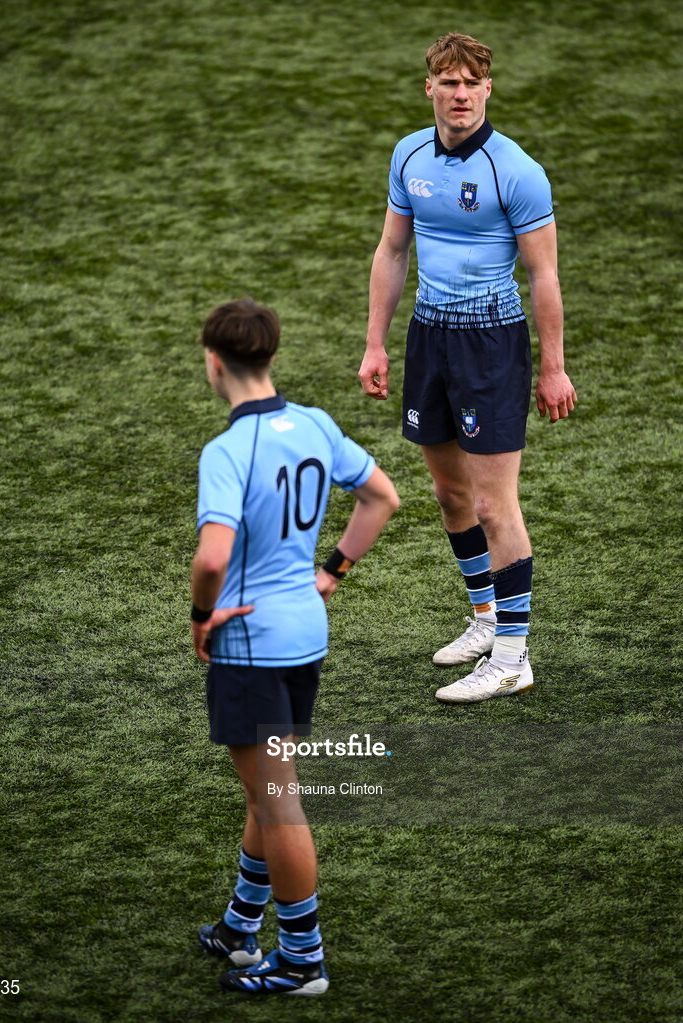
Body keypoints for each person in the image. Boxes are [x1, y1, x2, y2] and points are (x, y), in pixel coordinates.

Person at [358, 32, 577, 704]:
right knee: (451, 497)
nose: (459, 94)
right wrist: (375, 343)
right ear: (428, 87)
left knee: (491, 503)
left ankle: (513, 655)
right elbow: (392, 251)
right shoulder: (409, 155)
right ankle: (485, 622)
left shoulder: (516, 170)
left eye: (470, 83)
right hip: (430, 337)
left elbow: (543, 276)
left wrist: (552, 368)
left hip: (490, 344)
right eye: (446, 82)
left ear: (487, 89)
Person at [191, 298, 399, 995]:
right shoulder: (312, 423)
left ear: (214, 363)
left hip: (250, 642)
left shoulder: (226, 451)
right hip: (305, 634)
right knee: (265, 791)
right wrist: (331, 572)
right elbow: (381, 497)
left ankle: (302, 958)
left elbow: (213, 556)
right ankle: (240, 926)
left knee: (277, 801)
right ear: (271, 357)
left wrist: (200, 613)